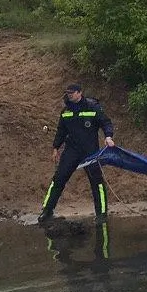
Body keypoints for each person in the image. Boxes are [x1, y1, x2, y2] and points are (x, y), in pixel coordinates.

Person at [39, 83, 116, 224]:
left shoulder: (92, 107)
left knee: (96, 182)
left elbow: (106, 123)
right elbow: (61, 131)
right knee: (59, 178)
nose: (69, 95)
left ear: (80, 93)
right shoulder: (65, 112)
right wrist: (56, 147)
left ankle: (102, 214)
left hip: (90, 151)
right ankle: (47, 211)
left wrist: (108, 136)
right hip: (71, 150)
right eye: (68, 93)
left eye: (72, 93)